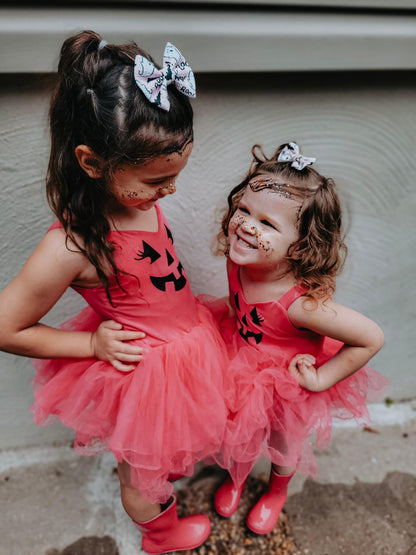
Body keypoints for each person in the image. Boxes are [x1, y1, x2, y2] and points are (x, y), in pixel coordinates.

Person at [0, 30, 229, 554]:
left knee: (169, 451)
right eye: (155, 181)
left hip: (187, 344)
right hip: (145, 373)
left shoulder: (142, 198)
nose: (168, 190)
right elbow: (6, 326)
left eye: (176, 174)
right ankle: (160, 533)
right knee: (142, 479)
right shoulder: (72, 246)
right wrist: (90, 345)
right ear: (91, 161)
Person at [210, 142, 388, 535]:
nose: (246, 225)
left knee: (283, 444)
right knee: (236, 433)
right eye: (244, 210)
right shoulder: (239, 261)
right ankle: (236, 479)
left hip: (284, 385)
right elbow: (244, 306)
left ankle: (276, 491)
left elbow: (370, 337)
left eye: (268, 224)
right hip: (239, 362)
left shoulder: (302, 306)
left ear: (302, 245)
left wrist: (322, 379)